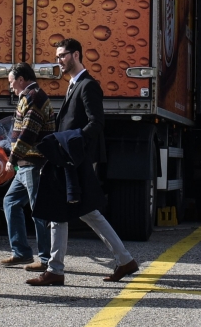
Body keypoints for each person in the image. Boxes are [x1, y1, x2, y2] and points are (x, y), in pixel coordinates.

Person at [27, 38, 139, 287]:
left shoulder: (88, 85)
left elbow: (96, 123)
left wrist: (72, 140)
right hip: (68, 157)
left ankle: (58, 269)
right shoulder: (73, 85)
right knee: (79, 212)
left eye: (62, 55)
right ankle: (121, 260)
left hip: (74, 158)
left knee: (77, 211)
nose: (59, 60)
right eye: (57, 56)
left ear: (76, 54)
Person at [0, 62, 54, 269]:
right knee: (10, 202)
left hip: (33, 163)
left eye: (12, 83)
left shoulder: (34, 97)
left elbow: (29, 133)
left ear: (21, 79)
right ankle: (21, 252)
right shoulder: (28, 97)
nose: (11, 87)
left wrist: (11, 160)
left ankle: (47, 260)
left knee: (39, 211)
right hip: (25, 164)